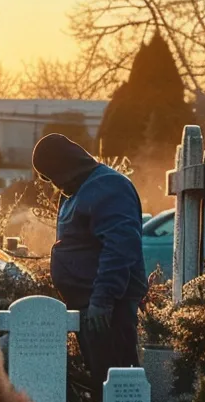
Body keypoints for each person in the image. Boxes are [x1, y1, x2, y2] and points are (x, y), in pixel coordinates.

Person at [30, 133, 146, 378]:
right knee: (101, 378)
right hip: (89, 304)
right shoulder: (77, 189)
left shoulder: (108, 187)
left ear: (65, 166)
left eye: (53, 177)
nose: (54, 185)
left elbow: (119, 247)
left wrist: (102, 299)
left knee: (116, 381)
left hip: (108, 309)